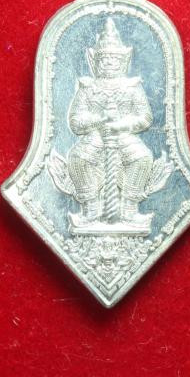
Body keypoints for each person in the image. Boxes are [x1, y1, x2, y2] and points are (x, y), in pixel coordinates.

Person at [67, 18, 153, 225]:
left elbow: (145, 117)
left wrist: (122, 125)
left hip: (123, 135)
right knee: (78, 159)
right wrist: (98, 121)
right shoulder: (87, 87)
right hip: (95, 136)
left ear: (122, 62)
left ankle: (129, 209)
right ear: (95, 62)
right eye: (104, 59)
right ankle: (91, 208)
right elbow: (76, 120)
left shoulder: (132, 87)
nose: (108, 63)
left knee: (142, 158)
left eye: (113, 59)